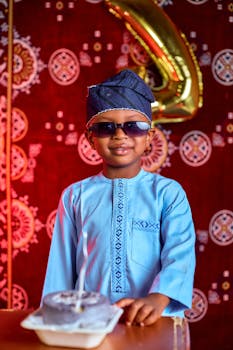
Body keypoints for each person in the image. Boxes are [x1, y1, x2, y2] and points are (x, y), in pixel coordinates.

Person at [41, 69, 196, 327]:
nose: (120, 136)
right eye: (106, 127)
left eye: (134, 126)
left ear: (149, 138)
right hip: (90, 323)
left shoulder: (168, 194)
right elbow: (60, 267)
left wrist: (158, 299)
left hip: (155, 320)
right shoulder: (75, 196)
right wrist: (54, 319)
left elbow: (180, 254)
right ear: (90, 138)